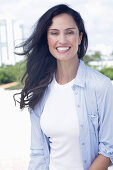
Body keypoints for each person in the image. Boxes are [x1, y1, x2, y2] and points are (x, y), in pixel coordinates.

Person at [14, 4, 113, 170]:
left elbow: (109, 149)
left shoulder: (101, 86)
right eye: (54, 33)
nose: (62, 40)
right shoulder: (40, 89)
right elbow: (38, 153)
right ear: (47, 39)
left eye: (69, 32)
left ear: (80, 37)